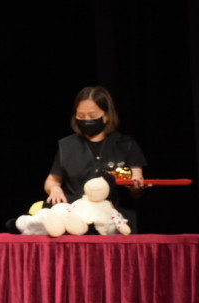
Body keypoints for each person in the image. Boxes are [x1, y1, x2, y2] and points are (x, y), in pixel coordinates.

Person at [44, 86, 146, 228]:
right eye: (81, 116)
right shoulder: (67, 145)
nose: (86, 120)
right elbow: (52, 180)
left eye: (92, 116)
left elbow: (137, 184)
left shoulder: (126, 145)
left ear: (107, 115)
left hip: (116, 222)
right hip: (75, 220)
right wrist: (55, 189)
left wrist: (136, 187)